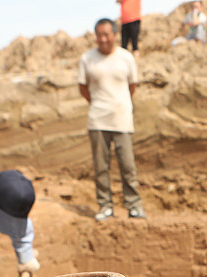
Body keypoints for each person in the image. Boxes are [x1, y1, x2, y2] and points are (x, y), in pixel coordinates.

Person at [78, 18, 146, 221]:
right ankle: (105, 205)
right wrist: (98, 103)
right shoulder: (87, 58)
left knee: (128, 166)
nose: (103, 39)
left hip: (122, 120)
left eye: (107, 34)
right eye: (99, 35)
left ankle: (133, 205)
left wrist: (121, 104)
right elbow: (83, 87)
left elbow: (132, 85)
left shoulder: (126, 58)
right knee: (101, 167)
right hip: (97, 120)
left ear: (115, 35)